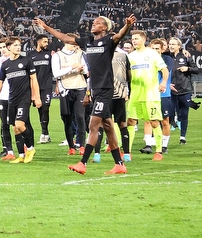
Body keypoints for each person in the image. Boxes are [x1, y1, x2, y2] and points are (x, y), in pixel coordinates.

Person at [33, 14, 135, 175]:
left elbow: (119, 35)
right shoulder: (88, 42)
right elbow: (65, 38)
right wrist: (45, 27)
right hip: (95, 89)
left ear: (105, 28)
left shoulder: (109, 41)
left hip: (105, 90)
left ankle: (83, 163)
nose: (94, 24)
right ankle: (119, 164)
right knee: (108, 127)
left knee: (93, 125)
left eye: (98, 23)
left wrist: (127, 25)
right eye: (93, 22)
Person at [0, 37, 42, 163]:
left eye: (19, 45)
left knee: (20, 124)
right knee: (15, 128)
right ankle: (21, 155)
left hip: (24, 98)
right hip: (11, 99)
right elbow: (0, 83)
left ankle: (30, 148)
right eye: (15, 45)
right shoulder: (5, 65)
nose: (18, 47)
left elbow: (34, 79)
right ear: (9, 47)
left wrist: (37, 96)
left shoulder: (26, 61)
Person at [127, 31, 169, 160]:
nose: (134, 41)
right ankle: (127, 151)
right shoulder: (130, 56)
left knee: (154, 122)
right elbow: (128, 74)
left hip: (150, 94)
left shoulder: (152, 54)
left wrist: (163, 82)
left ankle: (158, 151)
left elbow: (164, 70)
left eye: (136, 39)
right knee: (131, 121)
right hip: (135, 94)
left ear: (143, 40)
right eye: (133, 39)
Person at [51, 39, 88, 156]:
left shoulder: (80, 54)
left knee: (80, 116)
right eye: (73, 44)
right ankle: (71, 147)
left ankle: (81, 145)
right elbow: (56, 73)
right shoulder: (57, 56)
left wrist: (82, 70)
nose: (75, 46)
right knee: (67, 117)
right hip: (65, 89)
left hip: (80, 87)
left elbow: (87, 70)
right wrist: (72, 67)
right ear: (66, 43)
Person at [168, 37, 199, 144]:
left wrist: (188, 69)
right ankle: (163, 138)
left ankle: (182, 137)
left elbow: (196, 70)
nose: (171, 46)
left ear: (179, 46)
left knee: (184, 114)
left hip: (185, 90)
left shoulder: (186, 56)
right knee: (169, 114)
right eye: (170, 44)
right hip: (170, 90)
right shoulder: (166, 56)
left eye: (173, 44)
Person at [29, 34, 54, 144]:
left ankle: (44, 132)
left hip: (47, 86)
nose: (47, 43)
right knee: (40, 109)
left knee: (46, 108)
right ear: (38, 42)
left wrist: (57, 85)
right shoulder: (30, 55)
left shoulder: (50, 54)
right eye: (44, 41)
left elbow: (54, 70)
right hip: (36, 87)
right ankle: (46, 133)